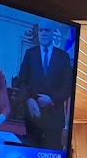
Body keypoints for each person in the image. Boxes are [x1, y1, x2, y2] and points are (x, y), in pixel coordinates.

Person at [17, 19, 72, 150]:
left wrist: (52, 100)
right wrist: (28, 100)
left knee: (51, 154)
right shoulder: (30, 53)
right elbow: (22, 80)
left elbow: (68, 86)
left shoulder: (63, 57)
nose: (43, 33)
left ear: (53, 33)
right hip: (33, 115)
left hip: (54, 117)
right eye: (41, 30)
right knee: (31, 153)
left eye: (46, 30)